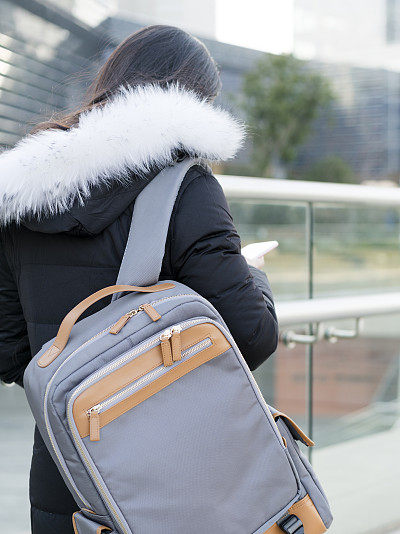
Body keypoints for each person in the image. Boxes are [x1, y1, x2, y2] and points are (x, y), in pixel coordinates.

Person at [0, 25, 279, 533]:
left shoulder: (22, 191)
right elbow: (251, 337)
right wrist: (252, 276)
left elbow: (9, 351)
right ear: (196, 102)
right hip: (169, 480)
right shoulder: (187, 187)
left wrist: (85, 382)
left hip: (65, 476)